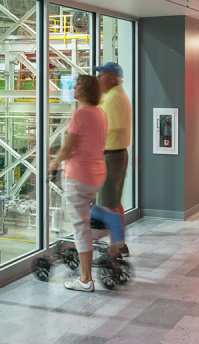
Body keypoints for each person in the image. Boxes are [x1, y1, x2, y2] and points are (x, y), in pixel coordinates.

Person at [50, 74, 108, 292]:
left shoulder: (79, 114)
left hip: (78, 177)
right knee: (84, 221)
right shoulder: (100, 113)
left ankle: (85, 279)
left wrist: (55, 162)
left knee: (80, 227)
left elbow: (68, 147)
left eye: (77, 85)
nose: (73, 87)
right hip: (97, 175)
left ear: (85, 91)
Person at [94, 62, 132, 256]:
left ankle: (114, 248)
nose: (99, 79)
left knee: (109, 203)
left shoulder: (113, 99)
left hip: (112, 155)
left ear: (113, 78)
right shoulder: (113, 96)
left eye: (102, 75)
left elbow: (102, 128)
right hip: (117, 154)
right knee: (114, 202)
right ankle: (121, 243)